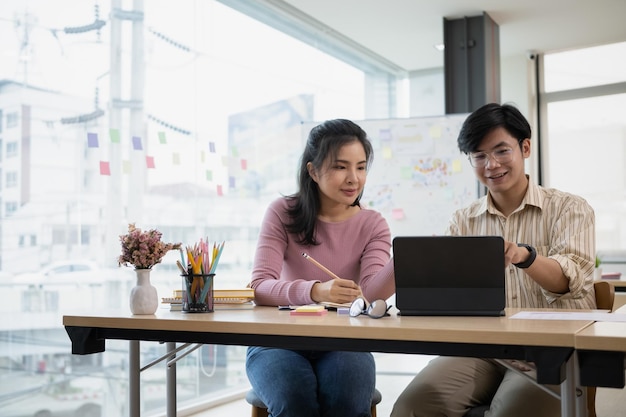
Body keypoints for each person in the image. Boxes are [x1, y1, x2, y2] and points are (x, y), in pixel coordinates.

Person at [391, 103, 596, 417]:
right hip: (481, 351)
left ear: (525, 147)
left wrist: (525, 257)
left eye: (501, 151)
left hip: (551, 352)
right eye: (479, 156)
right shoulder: (463, 220)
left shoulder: (570, 208)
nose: (491, 165)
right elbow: (451, 300)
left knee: (510, 413)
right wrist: (433, 276)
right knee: (411, 407)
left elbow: (572, 280)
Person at [246, 118, 395, 417]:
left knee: (347, 400)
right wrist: (315, 291)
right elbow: (259, 287)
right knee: (294, 399)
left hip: (345, 342)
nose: (354, 178)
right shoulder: (282, 212)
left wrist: (403, 265)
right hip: (277, 342)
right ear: (313, 170)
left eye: (361, 167)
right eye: (341, 167)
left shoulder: (373, 223)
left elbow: (367, 295)